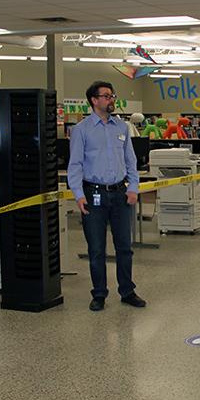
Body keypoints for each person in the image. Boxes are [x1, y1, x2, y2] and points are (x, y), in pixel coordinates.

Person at [67, 81, 146, 312]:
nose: (111, 100)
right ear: (94, 100)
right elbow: (75, 165)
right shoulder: (81, 130)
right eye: (107, 96)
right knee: (97, 249)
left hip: (120, 194)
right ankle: (99, 293)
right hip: (94, 195)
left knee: (124, 247)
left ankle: (127, 291)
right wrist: (78, 195)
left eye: (112, 96)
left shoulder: (121, 127)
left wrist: (133, 188)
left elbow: (131, 160)